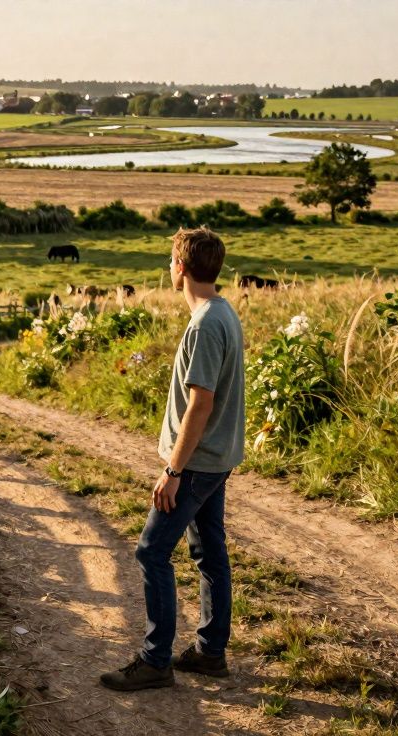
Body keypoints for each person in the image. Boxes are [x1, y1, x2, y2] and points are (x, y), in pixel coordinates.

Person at [100, 226, 245, 691]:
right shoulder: (223, 311)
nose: (169, 268)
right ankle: (209, 653)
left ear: (180, 268)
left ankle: (156, 659)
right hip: (216, 457)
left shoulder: (204, 324)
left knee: (151, 551)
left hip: (197, 463)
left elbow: (200, 403)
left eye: (170, 261)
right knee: (209, 554)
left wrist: (173, 471)